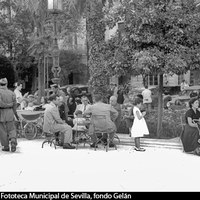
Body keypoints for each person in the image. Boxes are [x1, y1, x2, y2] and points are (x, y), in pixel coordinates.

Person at [0, 78, 18, 152]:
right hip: (10, 112)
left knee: (3, 130)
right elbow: (15, 105)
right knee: (12, 128)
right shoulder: (12, 93)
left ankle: (6, 146)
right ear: (6, 84)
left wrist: (5, 105)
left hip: (1, 113)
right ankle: (13, 140)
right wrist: (15, 114)